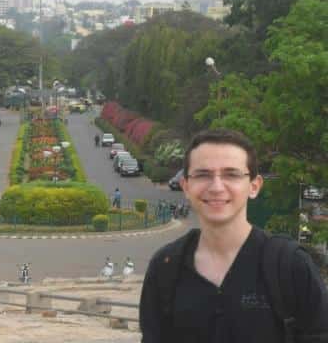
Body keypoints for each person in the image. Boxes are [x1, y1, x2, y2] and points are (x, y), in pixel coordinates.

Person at [139, 129, 328, 342]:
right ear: (186, 186)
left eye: (231, 174)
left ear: (254, 186)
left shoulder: (290, 266)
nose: (217, 187)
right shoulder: (165, 267)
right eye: (203, 175)